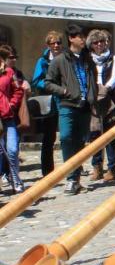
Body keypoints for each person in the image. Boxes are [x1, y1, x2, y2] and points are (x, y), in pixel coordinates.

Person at [44, 24, 97, 195]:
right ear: (71, 38)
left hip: (85, 106)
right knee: (66, 138)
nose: (83, 39)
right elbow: (48, 82)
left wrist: (92, 96)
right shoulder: (60, 60)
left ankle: (75, 179)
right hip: (68, 105)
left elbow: (93, 80)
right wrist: (64, 91)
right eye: (80, 36)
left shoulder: (88, 59)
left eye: (83, 36)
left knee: (80, 142)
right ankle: (70, 178)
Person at [86, 29, 115, 182]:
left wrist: (105, 88)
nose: (99, 44)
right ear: (91, 45)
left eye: (101, 41)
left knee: (110, 134)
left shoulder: (113, 59)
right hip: (92, 99)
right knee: (94, 135)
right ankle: (96, 166)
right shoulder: (88, 59)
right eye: (95, 42)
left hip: (109, 99)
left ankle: (112, 168)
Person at [32, 31, 63, 176]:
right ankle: (47, 170)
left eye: (58, 42)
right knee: (49, 137)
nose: (56, 45)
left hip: (65, 101)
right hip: (50, 103)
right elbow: (36, 81)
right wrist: (51, 86)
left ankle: (74, 167)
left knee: (69, 136)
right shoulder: (42, 61)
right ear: (48, 45)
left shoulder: (66, 58)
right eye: (53, 43)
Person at [0, 47, 25, 193]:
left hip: (8, 117)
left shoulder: (8, 72)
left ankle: (16, 179)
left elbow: (18, 90)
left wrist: (12, 104)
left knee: (12, 149)